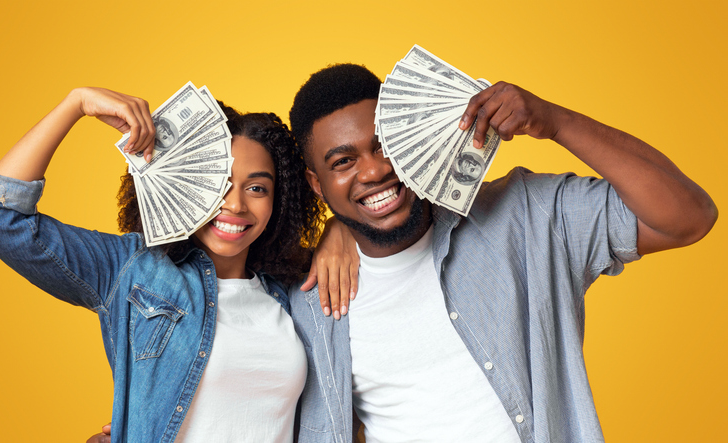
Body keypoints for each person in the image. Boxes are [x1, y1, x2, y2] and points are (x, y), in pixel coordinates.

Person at [286, 64, 717, 442]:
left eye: (382, 145)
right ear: (316, 184)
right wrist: (336, 227)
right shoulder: (308, 304)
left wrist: (557, 123)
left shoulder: (525, 217)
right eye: (343, 161)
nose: (375, 169)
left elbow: (689, 216)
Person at [0, 86, 357, 442]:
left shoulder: (293, 291)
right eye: (217, 183)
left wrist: (341, 226)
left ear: (278, 202)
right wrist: (75, 103)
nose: (235, 205)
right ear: (186, 184)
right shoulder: (132, 270)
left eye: (256, 188)